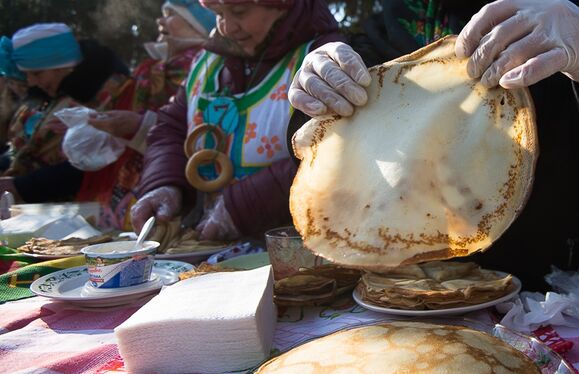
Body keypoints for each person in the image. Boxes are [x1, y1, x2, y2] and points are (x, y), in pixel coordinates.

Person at [288, 0, 579, 291]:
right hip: (426, 291)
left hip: (571, 288)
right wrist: (322, 87)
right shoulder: (403, 12)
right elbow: (345, 114)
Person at [132, 0, 344, 241]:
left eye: (239, 12)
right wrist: (163, 184)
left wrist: (244, 207)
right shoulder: (207, 62)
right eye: (218, 13)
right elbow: (171, 128)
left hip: (299, 252)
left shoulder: (324, 59)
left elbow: (338, 149)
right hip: (216, 254)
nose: (226, 27)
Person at [0, 23, 131, 206]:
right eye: (26, 75)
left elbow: (96, 163)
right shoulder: (58, 93)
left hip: (97, 211)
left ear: (63, 64)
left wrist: (23, 187)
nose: (31, 82)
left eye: (36, 73)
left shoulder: (110, 94)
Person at [88, 0, 216, 154]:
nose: (160, 20)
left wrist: (140, 126)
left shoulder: (203, 66)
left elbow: (189, 128)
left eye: (171, 14)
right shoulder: (156, 66)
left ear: (197, 25)